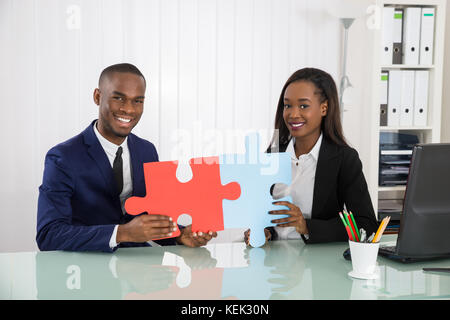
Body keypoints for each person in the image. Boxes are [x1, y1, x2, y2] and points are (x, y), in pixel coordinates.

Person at [37, 63, 217, 252]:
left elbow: (148, 218)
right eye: (118, 98)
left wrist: (179, 235)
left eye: (137, 101)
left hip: (141, 270)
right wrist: (122, 233)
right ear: (97, 97)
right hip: (87, 269)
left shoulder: (146, 151)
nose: (129, 109)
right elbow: (48, 235)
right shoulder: (63, 157)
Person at [245, 67, 378, 245]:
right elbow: (262, 215)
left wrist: (306, 227)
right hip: (273, 265)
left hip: (316, 264)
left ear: (324, 108)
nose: (293, 114)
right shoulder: (272, 155)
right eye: (287, 105)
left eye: (303, 106)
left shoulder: (344, 159)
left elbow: (366, 224)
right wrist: (263, 231)